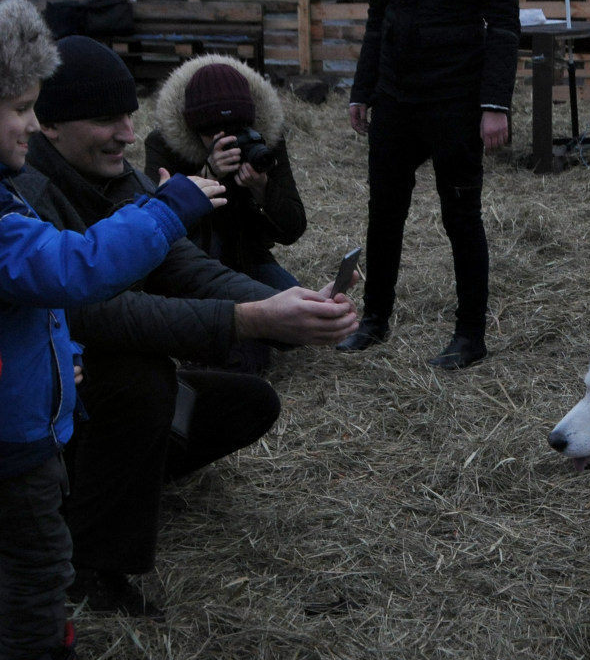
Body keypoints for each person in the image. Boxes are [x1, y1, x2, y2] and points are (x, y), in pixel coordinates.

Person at [18, 35, 358, 618]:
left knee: (249, 402)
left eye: (130, 114)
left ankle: (108, 485)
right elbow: (92, 313)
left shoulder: (120, 176)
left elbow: (182, 264)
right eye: (106, 119)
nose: (127, 133)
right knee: (137, 377)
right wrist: (247, 319)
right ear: (47, 125)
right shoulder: (26, 194)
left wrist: (286, 304)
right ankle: (91, 567)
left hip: (71, 396)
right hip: (37, 395)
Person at [0, 0, 223, 660]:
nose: (29, 125)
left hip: (36, 414)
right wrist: (170, 208)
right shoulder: (10, 215)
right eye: (21, 107)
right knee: (39, 563)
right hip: (16, 436)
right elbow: (78, 272)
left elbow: (42, 314)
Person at [339, 0, 520, 370]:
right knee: (383, 211)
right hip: (396, 95)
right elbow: (377, 17)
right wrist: (361, 89)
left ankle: (470, 334)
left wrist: (494, 104)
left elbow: (503, 22)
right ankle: (374, 319)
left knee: (460, 215)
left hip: (455, 98)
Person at [145, 55, 306, 291]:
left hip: (250, 258)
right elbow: (151, 232)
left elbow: (292, 229)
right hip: (188, 265)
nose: (227, 141)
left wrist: (262, 189)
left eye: (236, 130)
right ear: (192, 128)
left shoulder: (263, 142)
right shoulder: (164, 145)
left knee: (301, 312)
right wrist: (205, 177)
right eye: (213, 133)